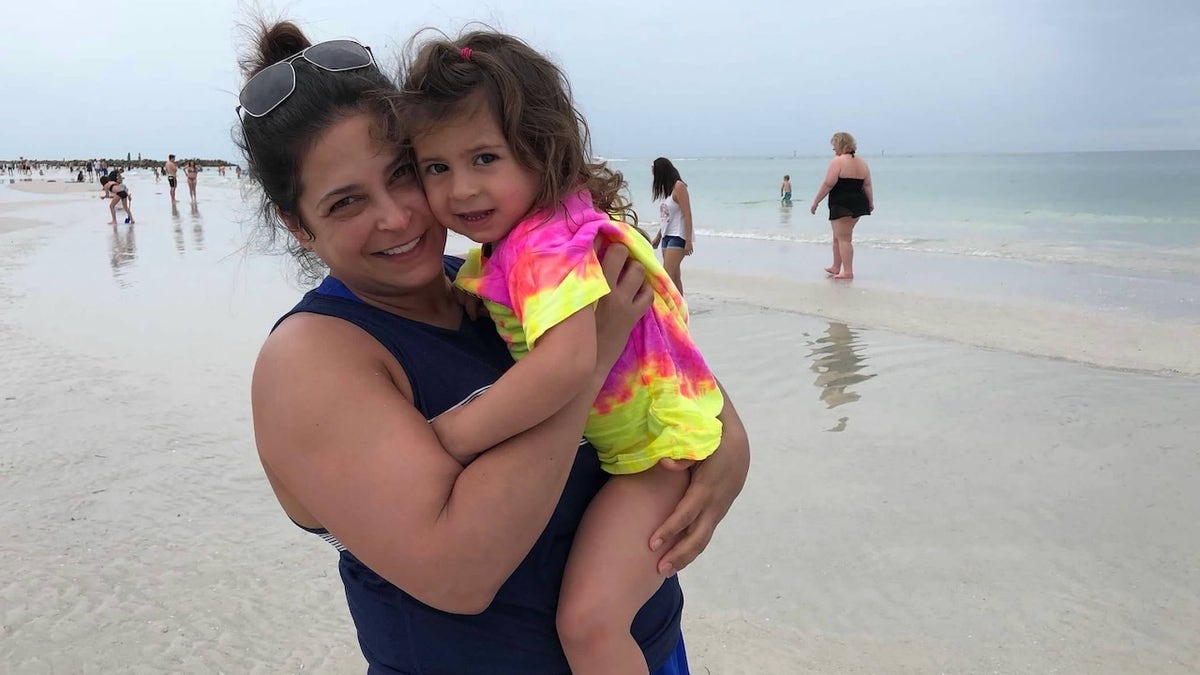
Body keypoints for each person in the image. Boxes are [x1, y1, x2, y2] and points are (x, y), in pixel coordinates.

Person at [236, 20, 749, 675]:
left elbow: (660, 351)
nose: (396, 215)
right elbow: (459, 571)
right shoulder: (311, 362)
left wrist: (730, 444)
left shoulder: (489, 278)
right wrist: (589, 354)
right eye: (345, 203)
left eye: (404, 174)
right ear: (297, 223)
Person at [399, 32, 726, 675]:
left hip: (654, 457)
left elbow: (569, 362)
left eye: (485, 158)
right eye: (437, 168)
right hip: (640, 446)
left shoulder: (547, 244)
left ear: (540, 151)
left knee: (590, 623)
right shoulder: (523, 237)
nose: (462, 189)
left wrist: (446, 439)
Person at [810, 131, 873, 279]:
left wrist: (816, 202)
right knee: (838, 236)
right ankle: (836, 266)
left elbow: (828, 184)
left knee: (844, 238)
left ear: (841, 145)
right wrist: (870, 202)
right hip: (859, 202)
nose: (833, 149)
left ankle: (848, 271)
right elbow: (867, 185)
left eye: (834, 146)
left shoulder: (837, 162)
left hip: (842, 203)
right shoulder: (862, 162)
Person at [648, 158, 693, 293]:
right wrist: (658, 237)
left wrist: (689, 241)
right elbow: (667, 219)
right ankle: (680, 310)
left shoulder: (679, 187)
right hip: (667, 236)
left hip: (678, 236)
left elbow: (687, 214)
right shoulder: (668, 192)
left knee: (666, 276)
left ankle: (672, 309)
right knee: (674, 277)